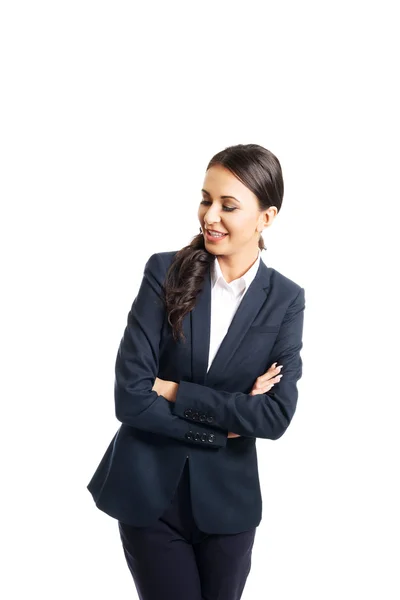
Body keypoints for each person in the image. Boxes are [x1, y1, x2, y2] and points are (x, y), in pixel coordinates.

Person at [86, 143, 306, 600]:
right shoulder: (164, 272)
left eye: (228, 205)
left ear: (266, 217)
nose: (209, 216)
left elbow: (273, 418)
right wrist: (226, 420)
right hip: (149, 495)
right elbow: (130, 396)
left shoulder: (286, 300)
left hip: (229, 507)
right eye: (206, 199)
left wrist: (172, 390)